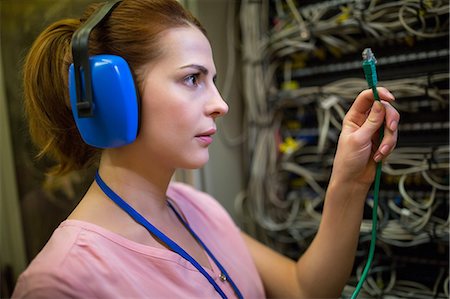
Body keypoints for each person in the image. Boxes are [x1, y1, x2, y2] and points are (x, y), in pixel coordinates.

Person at [12, 0, 400, 298]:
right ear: (114, 98)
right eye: (193, 78)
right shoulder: (61, 281)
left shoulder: (196, 207)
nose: (220, 104)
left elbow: (303, 289)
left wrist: (348, 181)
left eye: (211, 79)